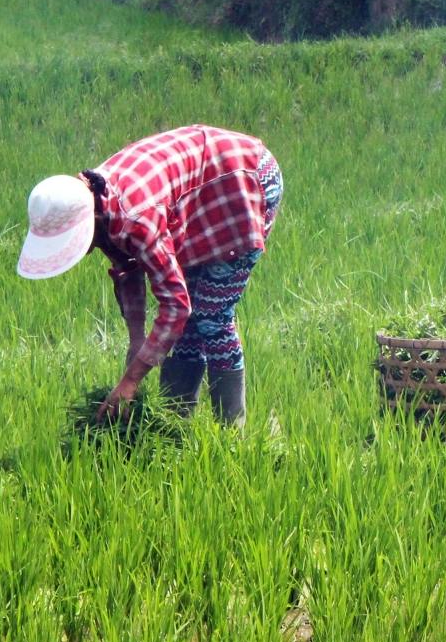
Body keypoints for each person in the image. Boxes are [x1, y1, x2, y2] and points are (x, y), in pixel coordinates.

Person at [16, 125, 283, 424]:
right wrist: (136, 340)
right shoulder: (98, 204)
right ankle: (174, 424)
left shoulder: (135, 218)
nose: (84, 251)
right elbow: (127, 267)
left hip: (243, 180)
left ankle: (232, 434)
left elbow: (176, 306)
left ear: (90, 220)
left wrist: (130, 381)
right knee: (188, 323)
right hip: (199, 192)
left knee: (211, 316)